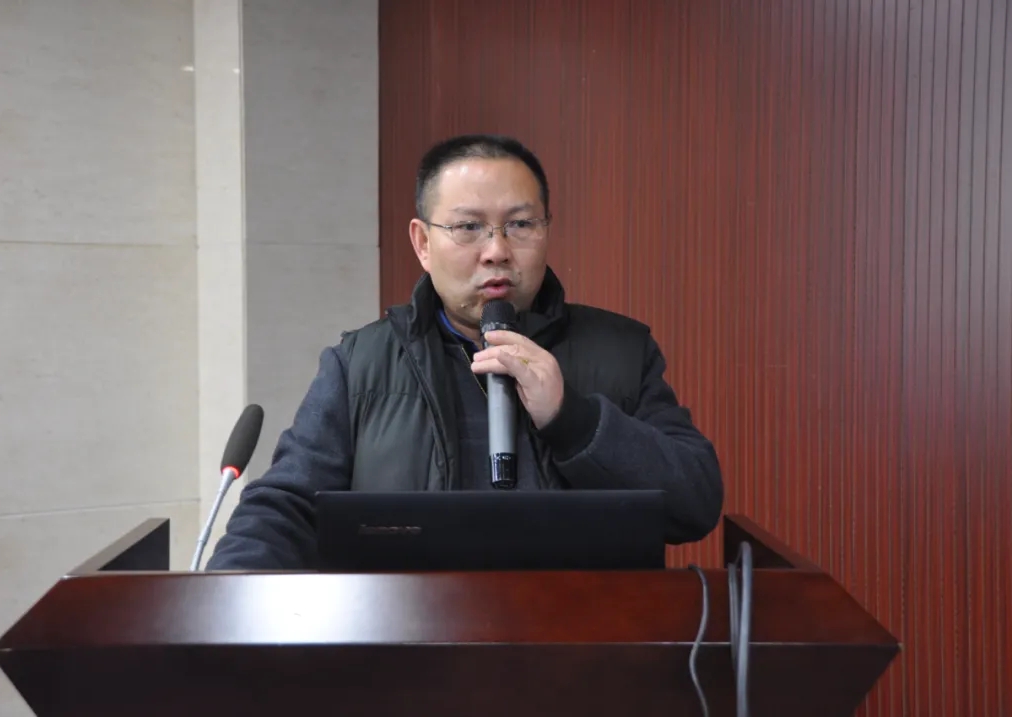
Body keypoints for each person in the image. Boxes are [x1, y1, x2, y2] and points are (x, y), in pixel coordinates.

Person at [206, 134, 723, 570]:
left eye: (521, 225)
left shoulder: (622, 351)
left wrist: (573, 419)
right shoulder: (359, 365)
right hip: (410, 644)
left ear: (546, 230)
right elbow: (285, 509)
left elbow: (695, 503)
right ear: (423, 243)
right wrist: (221, 601)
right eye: (468, 227)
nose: (497, 250)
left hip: (577, 645)